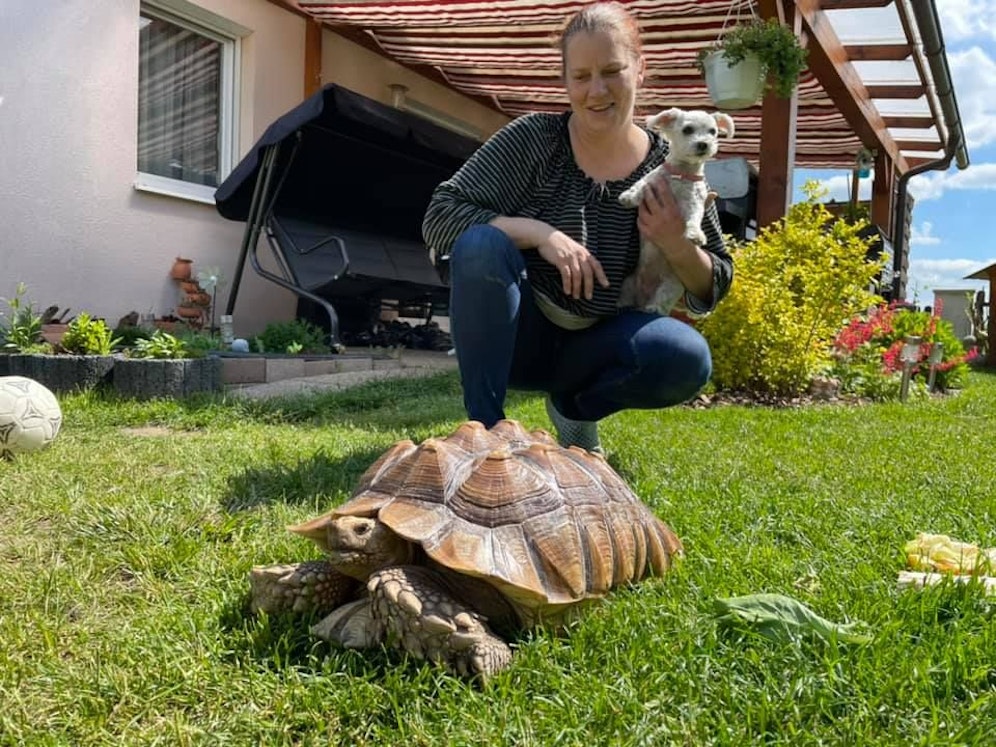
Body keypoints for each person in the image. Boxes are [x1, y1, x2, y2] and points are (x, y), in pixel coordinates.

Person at [422, 1, 733, 453]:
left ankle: (576, 408)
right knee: (482, 244)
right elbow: (441, 215)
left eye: (612, 70)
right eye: (581, 76)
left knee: (684, 358)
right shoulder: (532, 140)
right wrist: (540, 233)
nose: (596, 90)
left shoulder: (673, 165)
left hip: (601, 346)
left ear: (640, 70)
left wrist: (675, 243)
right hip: (518, 337)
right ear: (564, 79)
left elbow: (716, 282)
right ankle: (484, 437)